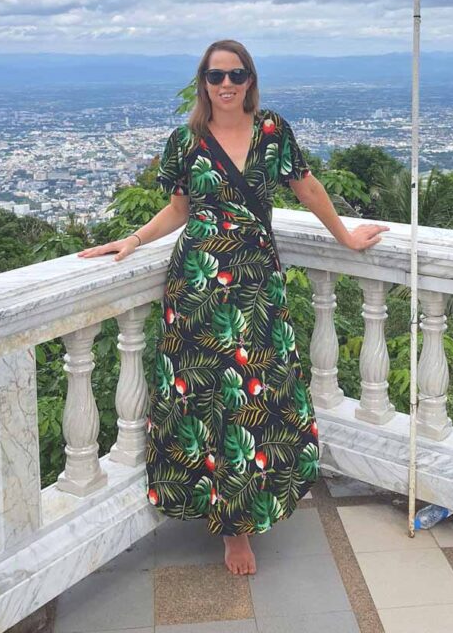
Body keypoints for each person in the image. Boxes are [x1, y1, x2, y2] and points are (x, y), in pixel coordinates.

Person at [79, 39, 388, 575]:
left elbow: (307, 188)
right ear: (203, 81)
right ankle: (228, 528)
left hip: (256, 284)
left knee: (256, 400)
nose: (226, 85)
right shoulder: (187, 141)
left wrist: (346, 238)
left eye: (237, 75)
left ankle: (244, 517)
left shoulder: (273, 131)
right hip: (198, 287)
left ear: (250, 80)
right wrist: (132, 240)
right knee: (206, 400)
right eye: (216, 75)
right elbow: (178, 208)